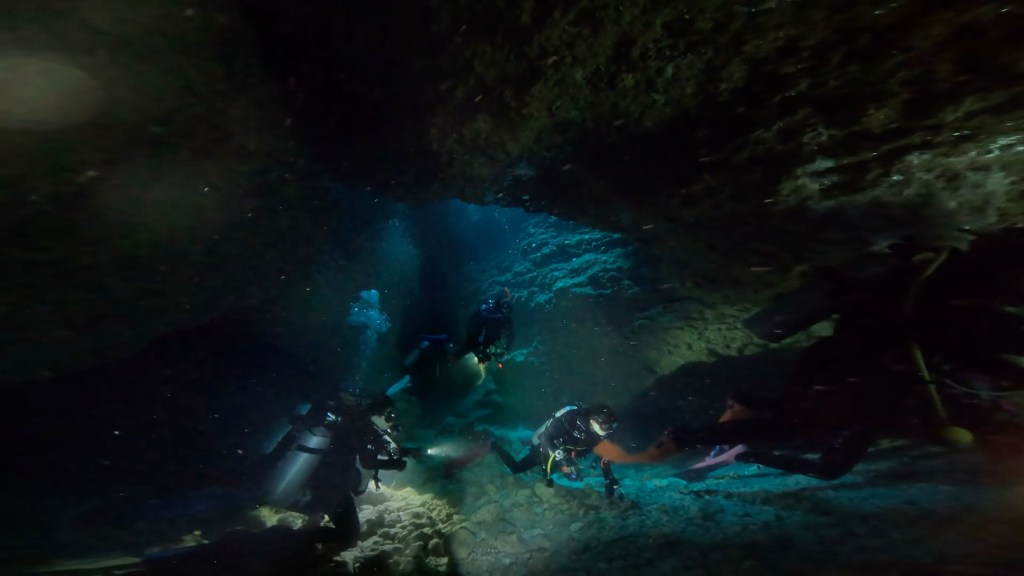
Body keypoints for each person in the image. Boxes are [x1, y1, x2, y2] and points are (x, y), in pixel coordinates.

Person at [491, 403, 621, 498]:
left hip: (567, 454)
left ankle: (546, 471)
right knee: (516, 469)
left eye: (613, 426)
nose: (610, 430)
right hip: (546, 448)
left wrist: (609, 478)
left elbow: (604, 457)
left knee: (554, 474)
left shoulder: (602, 435)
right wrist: (562, 456)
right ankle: (494, 445)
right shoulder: (570, 420)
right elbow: (546, 438)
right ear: (593, 421)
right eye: (606, 426)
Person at [455, 287, 515, 365]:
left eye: (507, 305)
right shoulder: (488, 313)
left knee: (484, 356)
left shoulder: (506, 318)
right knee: (460, 352)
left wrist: (506, 349)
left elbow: (511, 334)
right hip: (477, 339)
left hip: (489, 342)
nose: (505, 307)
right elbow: (473, 330)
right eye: (504, 304)